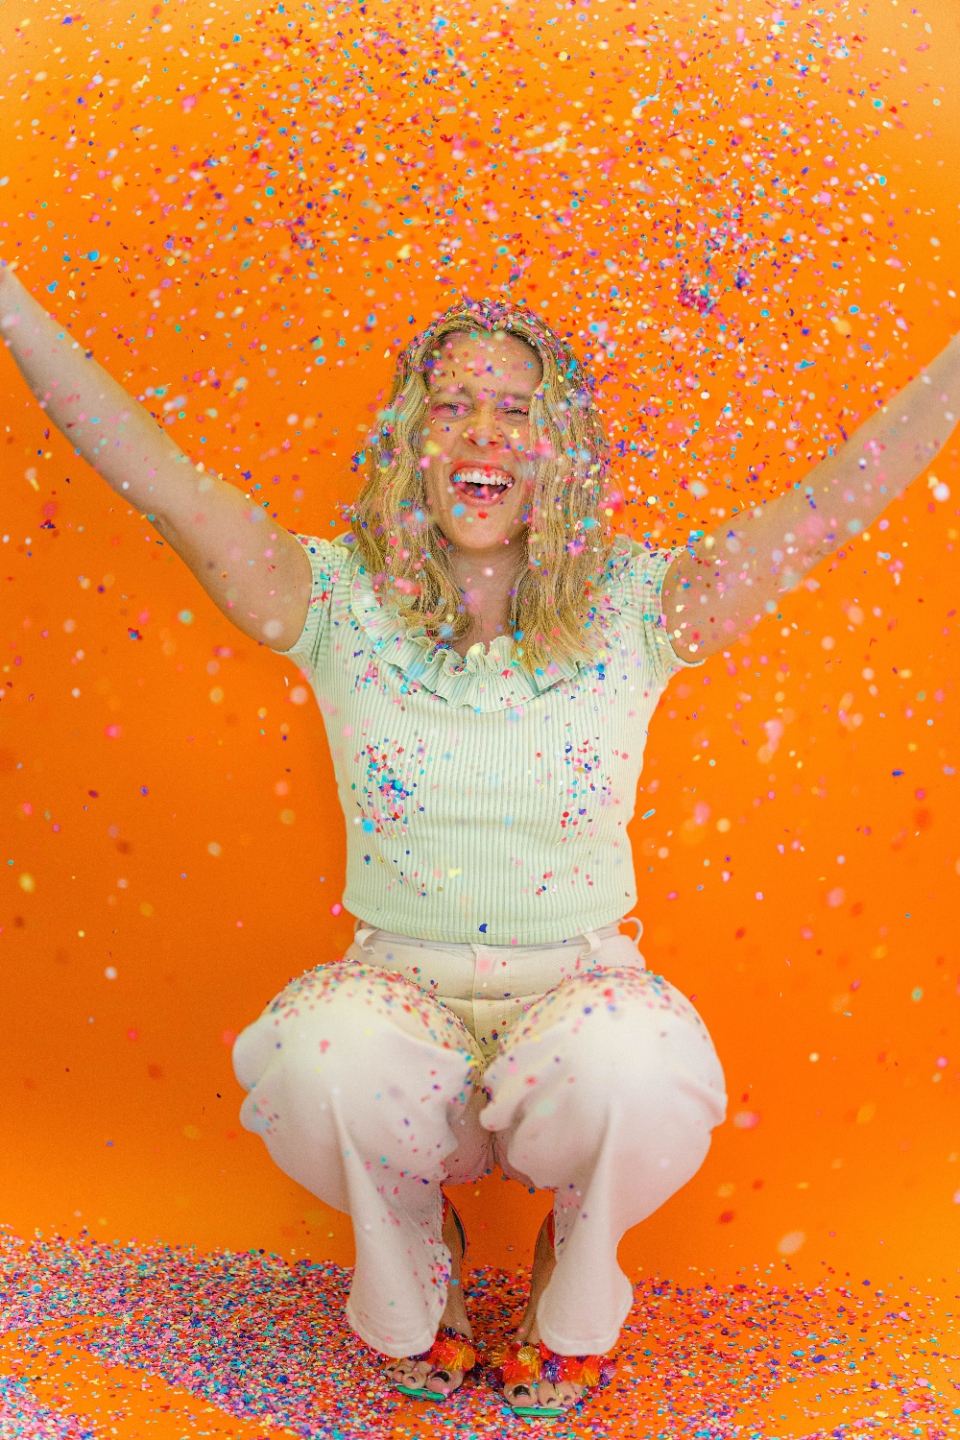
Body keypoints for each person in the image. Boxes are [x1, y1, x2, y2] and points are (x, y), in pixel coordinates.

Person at [2, 262, 957, 1419]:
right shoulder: (333, 601)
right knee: (319, 1059)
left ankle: (571, 1284)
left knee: (637, 1066)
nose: (483, 432)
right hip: (398, 1009)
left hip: (579, 1007)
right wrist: (10, 306)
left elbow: (827, 509)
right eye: (451, 405)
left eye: (516, 408)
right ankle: (418, 1263)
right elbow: (157, 477)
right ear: (408, 443)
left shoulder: (636, 607)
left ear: (564, 454)